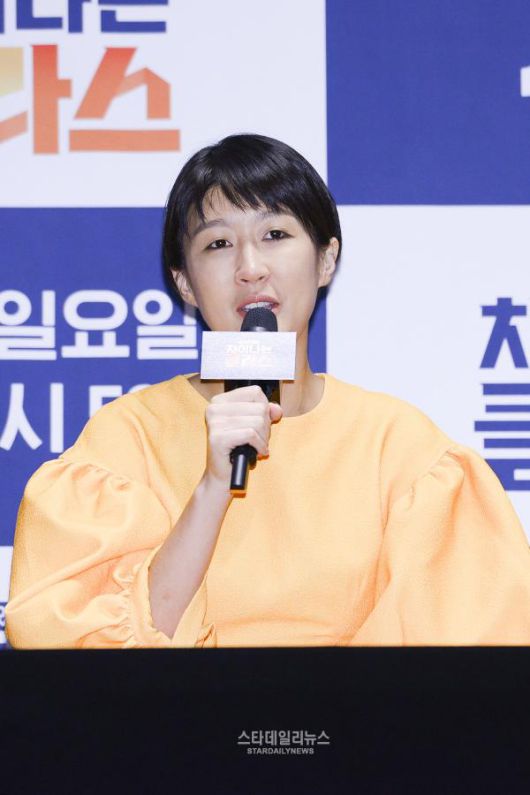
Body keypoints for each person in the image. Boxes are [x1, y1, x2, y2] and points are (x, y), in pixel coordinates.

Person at [6, 133, 530, 648]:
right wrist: (212, 487)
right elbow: (90, 657)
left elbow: (455, 659)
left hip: (351, 709)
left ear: (326, 259)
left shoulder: (398, 448)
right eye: (218, 244)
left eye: (275, 234)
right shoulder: (128, 440)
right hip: (179, 708)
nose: (250, 269)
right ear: (184, 283)